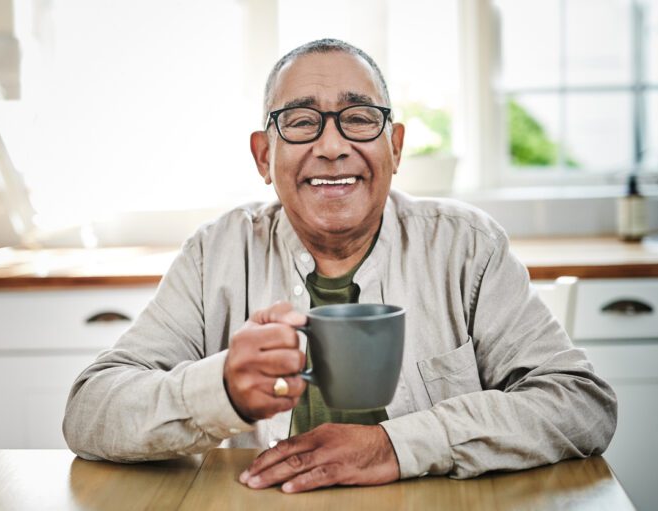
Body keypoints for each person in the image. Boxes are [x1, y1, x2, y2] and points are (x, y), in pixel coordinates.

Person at [63, 38, 617, 494]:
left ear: (395, 148)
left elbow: (581, 404)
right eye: (302, 121)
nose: (332, 146)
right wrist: (221, 392)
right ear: (263, 155)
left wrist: (398, 445)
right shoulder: (216, 255)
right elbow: (90, 412)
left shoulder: (465, 247)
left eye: (358, 119)